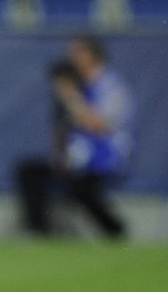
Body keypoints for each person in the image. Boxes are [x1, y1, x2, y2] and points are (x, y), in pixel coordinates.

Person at [15, 34, 135, 239]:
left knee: (79, 186)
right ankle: (39, 231)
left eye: (77, 52)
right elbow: (63, 127)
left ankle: (113, 229)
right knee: (28, 171)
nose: (72, 57)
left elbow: (99, 125)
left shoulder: (111, 87)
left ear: (91, 55)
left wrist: (70, 96)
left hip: (104, 160)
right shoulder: (79, 86)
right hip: (77, 158)